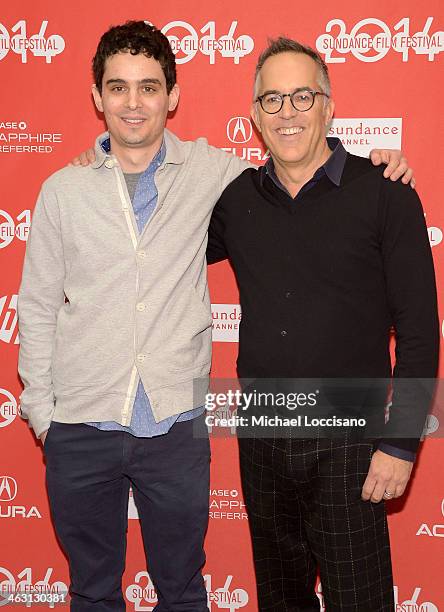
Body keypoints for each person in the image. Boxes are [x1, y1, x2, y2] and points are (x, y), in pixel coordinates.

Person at [19, 20, 414, 612]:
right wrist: (45, 414)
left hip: (266, 433)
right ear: (98, 97)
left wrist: (401, 441)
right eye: (119, 88)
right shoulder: (77, 192)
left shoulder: (247, 180)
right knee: (105, 592)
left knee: (208, 592)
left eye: (149, 87)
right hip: (155, 429)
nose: (133, 103)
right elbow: (45, 302)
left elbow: (417, 328)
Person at [206, 38, 439, 611]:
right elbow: (155, 223)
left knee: (359, 601)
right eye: (273, 99)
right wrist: (106, 155)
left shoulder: (385, 193)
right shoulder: (235, 200)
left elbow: (419, 331)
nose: (288, 112)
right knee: (281, 600)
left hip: (352, 439)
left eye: (302, 96)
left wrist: (401, 443)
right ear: (255, 115)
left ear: (329, 105)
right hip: (262, 431)